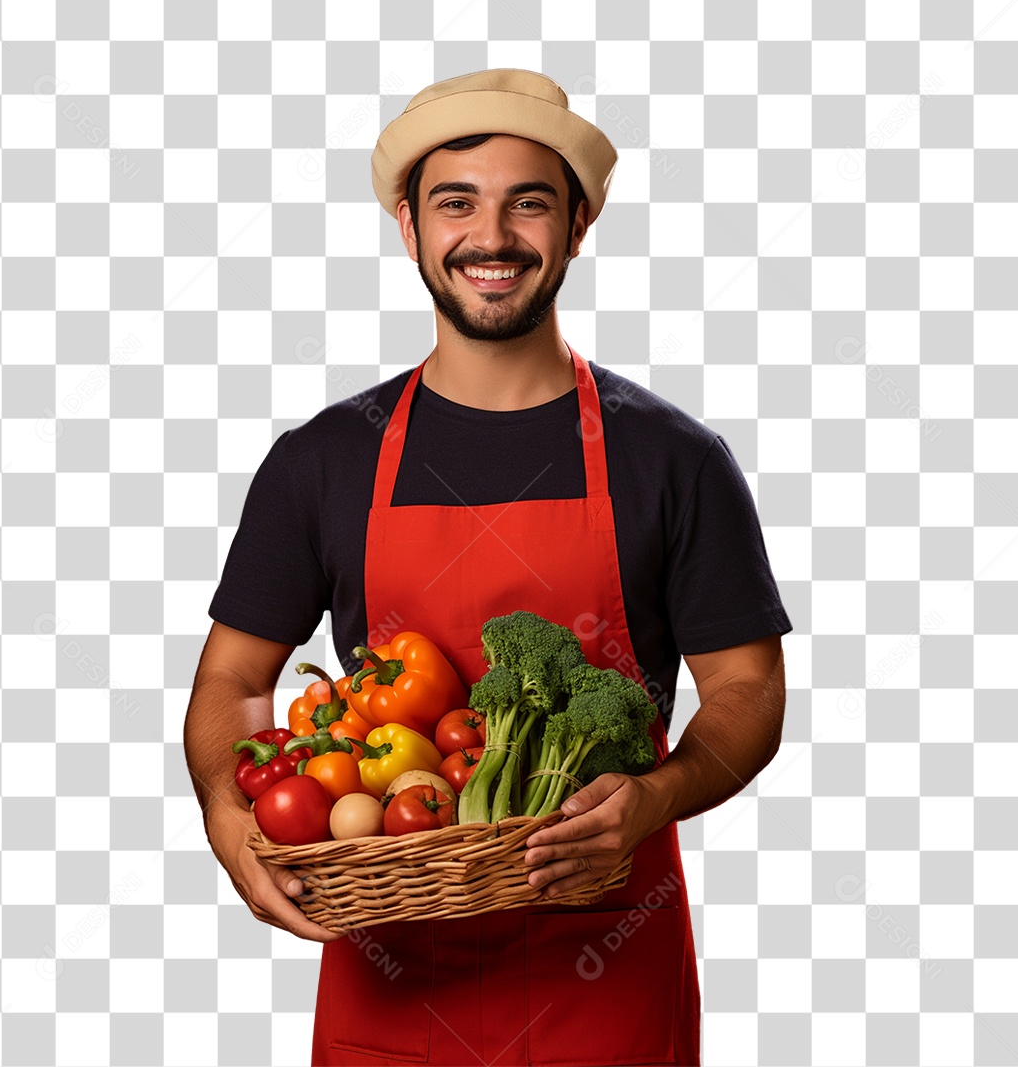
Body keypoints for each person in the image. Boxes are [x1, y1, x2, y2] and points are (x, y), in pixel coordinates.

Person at [185, 68, 792, 1067]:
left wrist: (661, 793)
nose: (492, 235)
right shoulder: (326, 459)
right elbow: (234, 682)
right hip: (389, 980)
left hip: (607, 978)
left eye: (530, 202)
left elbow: (748, 688)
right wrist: (223, 810)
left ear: (578, 226)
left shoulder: (672, 459)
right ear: (409, 227)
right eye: (456, 203)